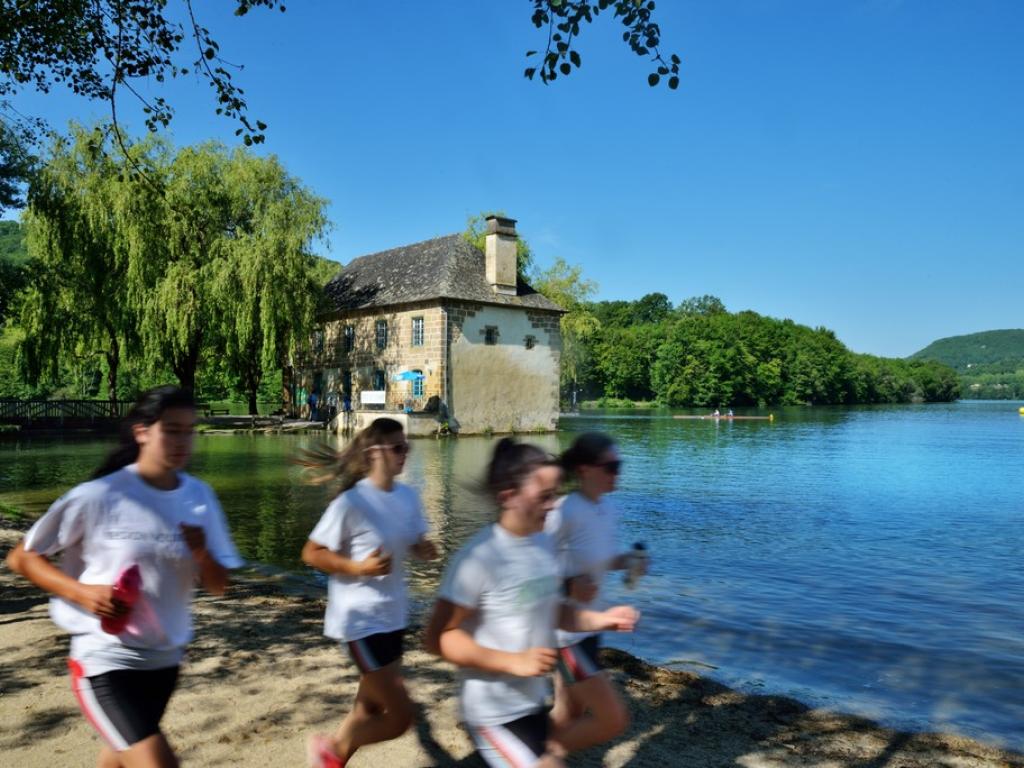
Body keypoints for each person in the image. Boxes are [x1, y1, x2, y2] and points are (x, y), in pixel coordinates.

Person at [4, 385, 243, 768]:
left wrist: (201, 553)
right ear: (142, 432)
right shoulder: (100, 495)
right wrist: (81, 592)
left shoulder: (200, 497)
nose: (183, 441)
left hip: (164, 661)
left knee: (117, 759)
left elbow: (219, 586)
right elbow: (22, 557)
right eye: (172, 430)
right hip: (104, 659)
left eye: (189, 430)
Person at [425, 438, 638, 768]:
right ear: (508, 496)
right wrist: (513, 661)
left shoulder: (542, 546)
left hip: (531, 704)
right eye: (545, 497)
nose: (554, 505)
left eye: (554, 494)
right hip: (491, 714)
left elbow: (552, 611)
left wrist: (602, 620)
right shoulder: (479, 558)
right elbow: (438, 638)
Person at [301, 417, 438, 768]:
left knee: (369, 708)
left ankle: (333, 759)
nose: (404, 453)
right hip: (360, 621)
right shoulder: (352, 503)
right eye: (397, 447)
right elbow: (311, 553)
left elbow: (413, 541)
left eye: (406, 447)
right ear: (374, 452)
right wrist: (358, 568)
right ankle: (330, 746)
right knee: (400, 717)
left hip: (393, 617)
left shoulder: (408, 496)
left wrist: (422, 549)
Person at [545, 432, 646, 753]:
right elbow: (530, 567)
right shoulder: (563, 511)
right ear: (585, 470)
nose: (618, 472)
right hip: (565, 634)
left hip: (591, 626)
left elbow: (601, 560)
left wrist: (628, 560)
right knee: (613, 718)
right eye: (611, 466)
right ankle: (530, 756)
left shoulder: (607, 509)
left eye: (620, 465)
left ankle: (521, 752)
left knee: (568, 713)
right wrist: (568, 584)